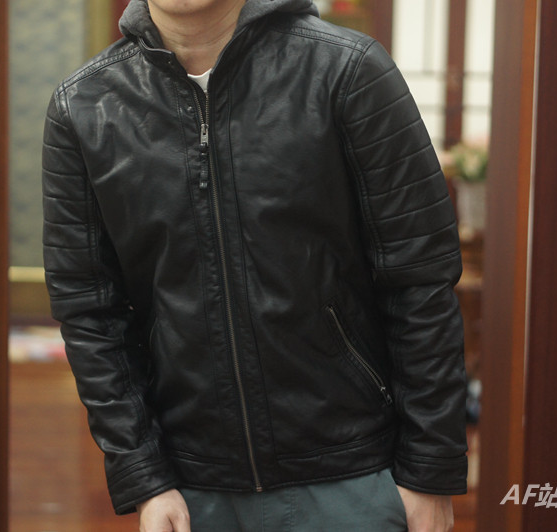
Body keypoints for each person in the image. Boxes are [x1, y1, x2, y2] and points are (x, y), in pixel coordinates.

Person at [42, 0, 467, 529]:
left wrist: (429, 470)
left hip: (354, 472)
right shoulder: (84, 106)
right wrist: (143, 475)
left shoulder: (347, 71)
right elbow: (90, 312)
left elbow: (420, 280)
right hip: (191, 487)